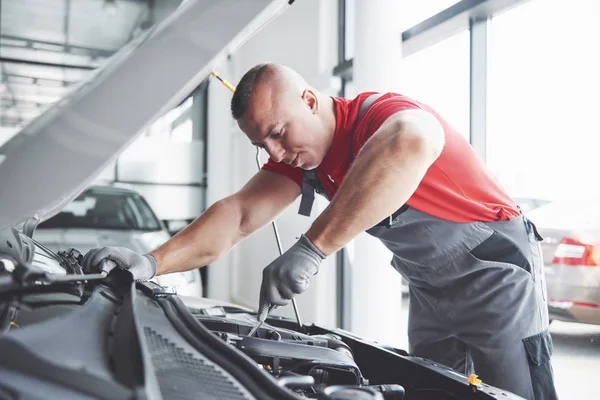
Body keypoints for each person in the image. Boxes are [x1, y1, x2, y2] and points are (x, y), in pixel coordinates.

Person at [83, 63, 558, 399]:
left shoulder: (379, 115)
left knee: (515, 395)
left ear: (310, 100)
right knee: (433, 390)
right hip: (429, 286)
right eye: (262, 142)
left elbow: (413, 139)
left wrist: (312, 248)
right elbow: (240, 214)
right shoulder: (308, 160)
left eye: (278, 131)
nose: (276, 150)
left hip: (495, 274)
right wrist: (151, 263)